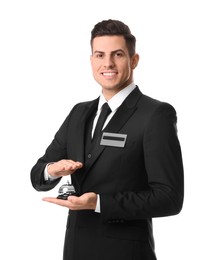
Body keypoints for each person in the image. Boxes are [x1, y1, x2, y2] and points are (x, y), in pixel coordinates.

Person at [31, 19, 184, 260]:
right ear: (91, 60)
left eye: (118, 54)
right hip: (75, 250)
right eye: (100, 55)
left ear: (134, 60)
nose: (108, 64)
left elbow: (169, 198)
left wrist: (100, 202)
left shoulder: (155, 114)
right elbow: (38, 173)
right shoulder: (79, 113)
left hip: (126, 253)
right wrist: (53, 169)